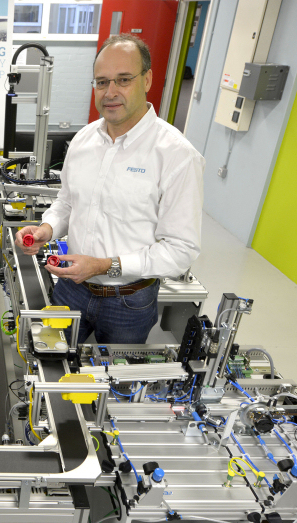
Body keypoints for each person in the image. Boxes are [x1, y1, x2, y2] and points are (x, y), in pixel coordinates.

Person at [15, 34, 204, 344]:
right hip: (70, 288)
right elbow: (67, 203)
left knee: (116, 387)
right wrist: (46, 229)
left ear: (147, 80)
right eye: (101, 82)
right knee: (46, 362)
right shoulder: (83, 141)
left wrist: (104, 266)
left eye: (123, 79)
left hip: (128, 302)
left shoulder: (177, 156)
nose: (111, 92)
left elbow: (181, 250)